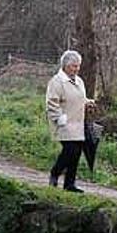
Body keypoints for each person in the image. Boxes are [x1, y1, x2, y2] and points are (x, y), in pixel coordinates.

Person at [46, 50, 94, 193]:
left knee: (77, 153)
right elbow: (52, 102)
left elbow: (78, 98)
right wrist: (59, 118)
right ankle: (55, 173)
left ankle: (69, 184)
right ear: (65, 66)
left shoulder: (79, 81)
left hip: (78, 123)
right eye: (74, 66)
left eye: (78, 66)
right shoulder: (57, 82)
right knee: (70, 150)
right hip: (64, 123)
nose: (77, 69)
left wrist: (88, 102)